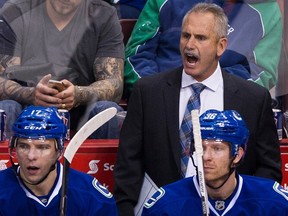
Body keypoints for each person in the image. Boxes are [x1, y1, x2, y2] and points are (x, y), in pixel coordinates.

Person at [113, 3, 282, 216]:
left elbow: (267, 171)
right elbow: (128, 169)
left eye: (201, 38)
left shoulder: (253, 99)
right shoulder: (147, 92)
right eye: (185, 36)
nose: (189, 45)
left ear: (221, 46)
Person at [0, 0, 125, 138]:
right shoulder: (16, 11)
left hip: (81, 111)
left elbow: (114, 84)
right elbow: (2, 78)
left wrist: (78, 94)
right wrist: (31, 94)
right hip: (26, 110)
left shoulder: (104, 14)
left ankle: (106, 160)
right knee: (6, 108)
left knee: (107, 110)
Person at [123, 0, 282, 99]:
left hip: (224, 108)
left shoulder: (267, 10)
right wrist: (161, 93)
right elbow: (136, 57)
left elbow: (260, 73)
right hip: (160, 99)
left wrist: (207, 94)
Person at [142, 109, 288, 216]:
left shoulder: (275, 203)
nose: (206, 156)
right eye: (201, 148)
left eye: (217, 148)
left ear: (238, 154)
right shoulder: (164, 206)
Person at [0, 106, 118, 215]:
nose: (31, 156)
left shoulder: (92, 197)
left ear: (59, 151)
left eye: (42, 147)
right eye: (23, 146)